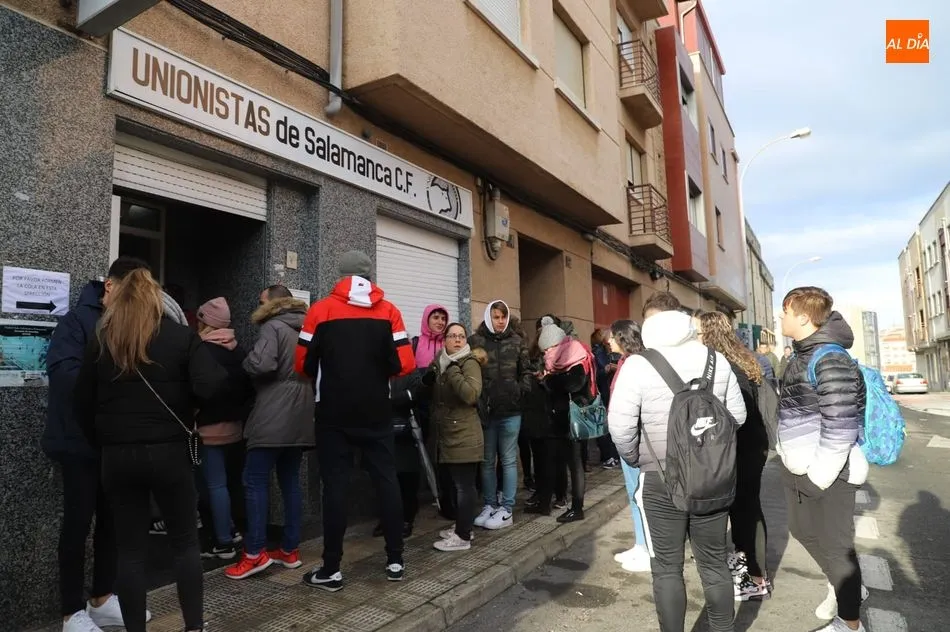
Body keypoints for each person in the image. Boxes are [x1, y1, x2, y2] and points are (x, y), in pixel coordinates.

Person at [74, 266, 226, 632]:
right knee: (185, 544)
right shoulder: (179, 336)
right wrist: (188, 409)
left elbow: (80, 403)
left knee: (130, 551)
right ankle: (193, 627)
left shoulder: (103, 339)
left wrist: (105, 440)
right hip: (170, 452)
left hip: (118, 457)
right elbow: (213, 384)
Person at [608, 291, 746, 632]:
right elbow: (738, 417)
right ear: (685, 322)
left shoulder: (639, 364)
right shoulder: (716, 360)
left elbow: (620, 426)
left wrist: (636, 458)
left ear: (649, 325)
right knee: (714, 563)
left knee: (667, 567)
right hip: (712, 477)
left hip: (660, 478)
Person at [44, 257, 155, 632]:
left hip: (115, 443)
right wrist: (114, 392)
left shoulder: (132, 323)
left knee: (112, 524)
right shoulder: (76, 322)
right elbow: (63, 376)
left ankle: (103, 597)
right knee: (77, 526)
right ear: (110, 286)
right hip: (78, 444)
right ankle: (70, 612)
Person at [296, 251, 416, 591]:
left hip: (332, 413)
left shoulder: (319, 311)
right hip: (377, 411)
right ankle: (395, 560)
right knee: (386, 480)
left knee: (335, 487)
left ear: (341, 274)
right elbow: (405, 363)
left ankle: (331, 569)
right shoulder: (388, 311)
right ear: (368, 275)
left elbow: (301, 363)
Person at [777, 287, 868, 632]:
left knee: (837, 547)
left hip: (829, 472)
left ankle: (850, 623)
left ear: (801, 316)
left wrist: (817, 478)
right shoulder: (800, 354)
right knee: (801, 530)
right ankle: (844, 587)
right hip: (798, 466)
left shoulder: (829, 359)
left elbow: (841, 426)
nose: (781, 318)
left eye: (785, 312)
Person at [225, 287, 315, 580]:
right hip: (302, 411)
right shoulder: (307, 325)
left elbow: (262, 363)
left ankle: (254, 553)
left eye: (261, 300)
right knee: (290, 481)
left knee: (254, 480)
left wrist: (245, 361)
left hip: (274, 411)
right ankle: (290, 550)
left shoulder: (273, 326)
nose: (258, 304)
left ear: (273, 303)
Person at [697, 312, 772, 601]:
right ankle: (750, 565)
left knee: (744, 511)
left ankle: (755, 578)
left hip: (741, 446)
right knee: (747, 508)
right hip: (754, 444)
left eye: (697, 330)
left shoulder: (722, 365)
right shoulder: (741, 358)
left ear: (708, 333)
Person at [194, 297, 254, 561]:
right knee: (228, 483)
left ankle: (223, 542)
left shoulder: (201, 351)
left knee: (214, 485)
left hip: (209, 430)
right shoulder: (239, 350)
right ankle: (231, 529)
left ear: (206, 323)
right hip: (236, 428)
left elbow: (197, 390)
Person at [423, 323, 486, 551]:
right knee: (457, 485)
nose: (457, 340)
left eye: (461, 336)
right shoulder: (440, 362)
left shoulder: (468, 363)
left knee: (464, 486)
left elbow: (470, 395)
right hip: (448, 435)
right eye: (452, 336)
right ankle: (462, 525)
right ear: (445, 340)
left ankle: (463, 536)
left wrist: (452, 370)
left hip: (465, 435)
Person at [469, 300, 530, 530]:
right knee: (486, 462)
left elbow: (527, 370)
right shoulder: (475, 341)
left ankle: (507, 508)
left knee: (508, 460)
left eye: (503, 317)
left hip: (511, 412)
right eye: (496, 317)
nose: (500, 321)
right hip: (486, 412)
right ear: (488, 317)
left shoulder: (516, 341)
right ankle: (489, 504)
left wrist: (520, 391)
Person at [604, 319, 651, 573]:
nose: (608, 340)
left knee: (639, 494)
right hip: (628, 438)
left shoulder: (635, 364)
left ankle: (647, 547)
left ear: (622, 338)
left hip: (636, 439)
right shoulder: (625, 362)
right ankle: (641, 543)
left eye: (612, 336)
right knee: (634, 494)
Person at [537, 317, 592, 523]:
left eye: (548, 348)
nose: (547, 353)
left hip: (574, 420)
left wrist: (550, 380)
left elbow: (574, 384)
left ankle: (577, 508)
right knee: (553, 461)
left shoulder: (574, 355)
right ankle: (547, 502)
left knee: (575, 464)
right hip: (558, 420)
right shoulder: (558, 359)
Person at [591, 328, 621, 469]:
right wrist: (608, 369)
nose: (609, 340)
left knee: (604, 426)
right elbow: (600, 372)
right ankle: (611, 456)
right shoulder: (599, 352)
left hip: (603, 393)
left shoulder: (601, 351)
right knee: (605, 426)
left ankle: (610, 456)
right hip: (603, 393)